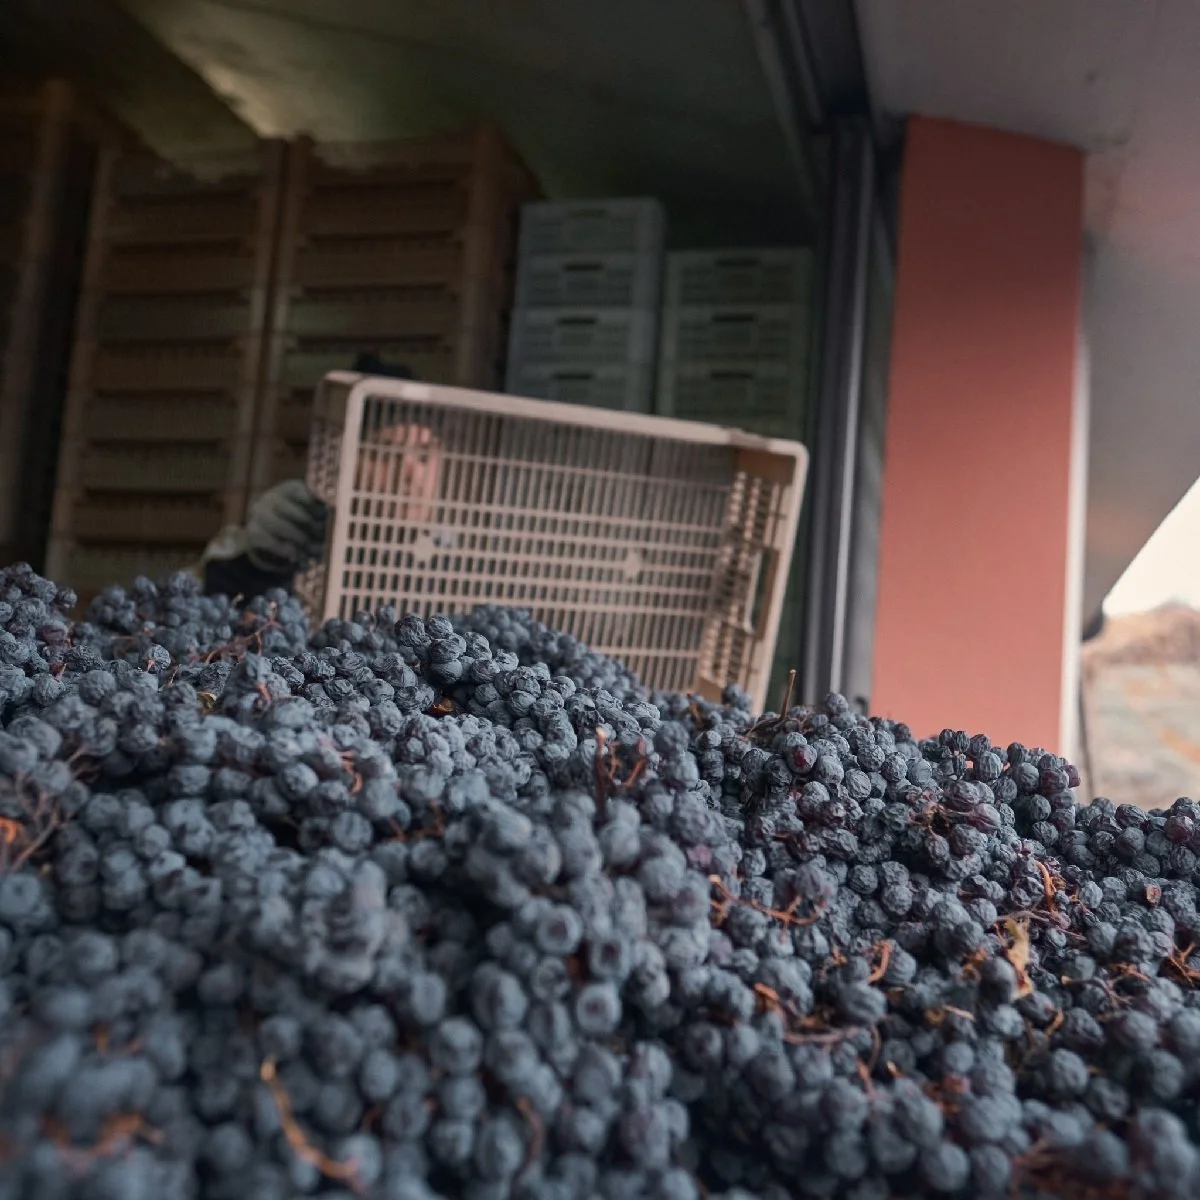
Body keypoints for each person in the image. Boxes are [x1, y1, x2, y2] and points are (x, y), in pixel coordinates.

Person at [197, 357, 440, 598]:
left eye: (423, 455)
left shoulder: (457, 560)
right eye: (385, 452)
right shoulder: (303, 531)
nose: (412, 474)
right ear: (341, 459)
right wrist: (260, 565)